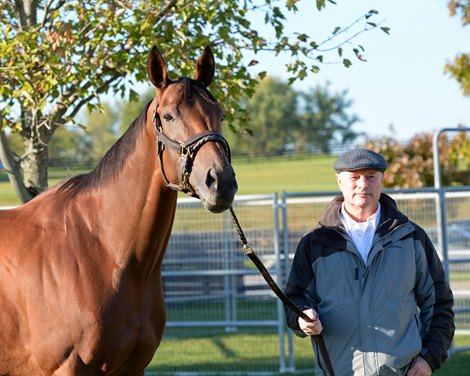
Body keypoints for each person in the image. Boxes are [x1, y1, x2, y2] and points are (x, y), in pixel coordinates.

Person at [284, 148, 454, 376]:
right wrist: (303, 318)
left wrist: (429, 359)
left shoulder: (411, 237)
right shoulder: (315, 243)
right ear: (339, 181)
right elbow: (294, 299)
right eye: (354, 177)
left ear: (382, 179)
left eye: (371, 176)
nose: (363, 184)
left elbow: (439, 304)